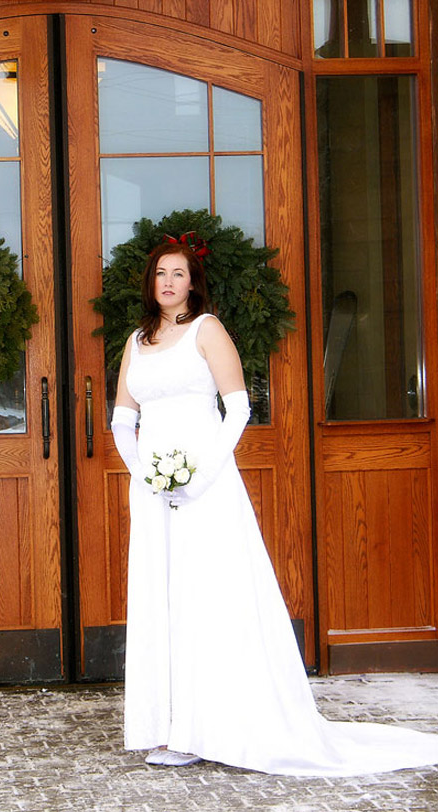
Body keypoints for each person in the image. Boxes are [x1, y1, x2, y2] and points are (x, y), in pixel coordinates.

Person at [110, 235, 438, 776]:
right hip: (152, 492)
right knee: (162, 596)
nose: (168, 282)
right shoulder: (135, 341)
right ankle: (168, 723)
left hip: (204, 486)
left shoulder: (206, 330)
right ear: (151, 283)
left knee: (208, 595)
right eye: (160, 274)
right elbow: (124, 419)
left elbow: (237, 409)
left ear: (193, 283)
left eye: (179, 273)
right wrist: (144, 473)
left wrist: (198, 478)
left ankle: (208, 725)